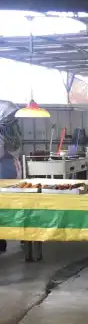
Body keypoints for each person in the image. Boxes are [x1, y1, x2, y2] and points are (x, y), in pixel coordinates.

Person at [0, 101, 22, 253]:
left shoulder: (11, 129)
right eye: (9, 115)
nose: (12, 118)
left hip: (11, 171)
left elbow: (15, 147)